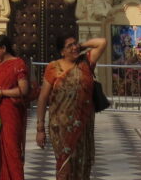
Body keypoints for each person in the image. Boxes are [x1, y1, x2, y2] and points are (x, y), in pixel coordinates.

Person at [35, 34, 108, 180]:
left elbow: (102, 42)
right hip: (60, 127)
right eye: (70, 46)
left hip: (82, 125)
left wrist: (82, 46)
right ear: (62, 51)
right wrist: (40, 128)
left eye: (75, 44)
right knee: (65, 166)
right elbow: (43, 98)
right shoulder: (53, 67)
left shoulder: (86, 62)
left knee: (81, 165)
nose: (74, 47)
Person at [0, 34, 29, 180]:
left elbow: (24, 89)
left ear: (4, 48)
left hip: (10, 113)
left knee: (11, 149)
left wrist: (2, 93)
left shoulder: (18, 64)